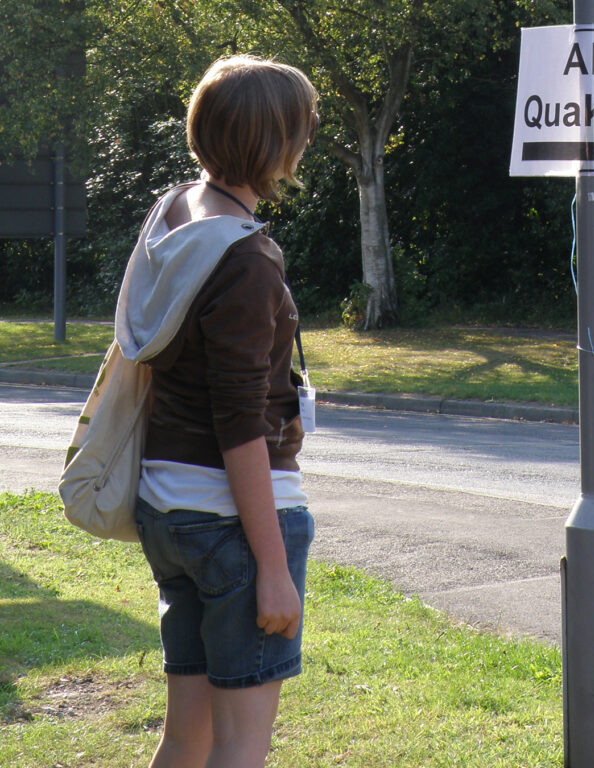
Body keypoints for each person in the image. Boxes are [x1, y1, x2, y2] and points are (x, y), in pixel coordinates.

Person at [114, 55, 319, 768]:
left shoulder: (174, 214)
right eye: (302, 128)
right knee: (239, 745)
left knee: (186, 738)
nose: (306, 141)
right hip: (234, 525)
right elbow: (239, 425)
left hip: (169, 512)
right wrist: (273, 568)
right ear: (274, 143)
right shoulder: (246, 260)